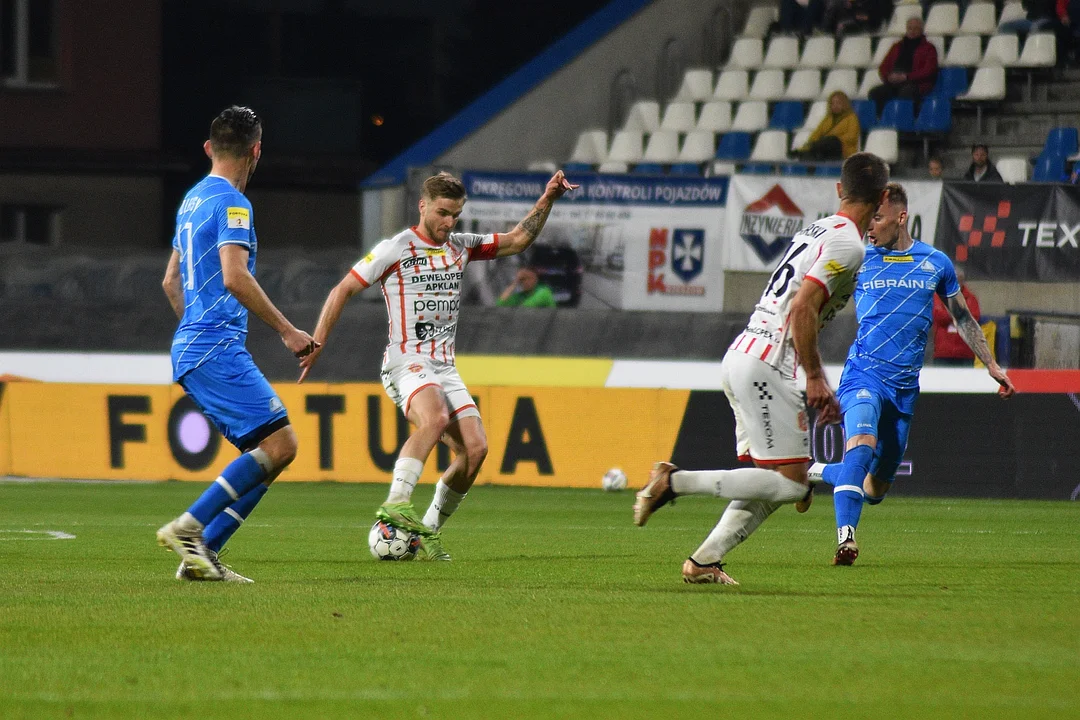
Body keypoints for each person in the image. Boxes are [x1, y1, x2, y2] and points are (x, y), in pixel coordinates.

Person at [633, 153, 891, 585]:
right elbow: (803, 306)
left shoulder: (819, 229)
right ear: (883, 198)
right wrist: (813, 377)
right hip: (769, 362)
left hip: (744, 353)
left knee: (768, 483)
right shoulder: (850, 244)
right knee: (790, 486)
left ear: (838, 190)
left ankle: (702, 563)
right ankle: (673, 482)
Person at [298, 170, 577, 560]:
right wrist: (318, 342)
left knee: (475, 450)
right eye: (443, 213)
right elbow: (343, 288)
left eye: (456, 215)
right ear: (423, 205)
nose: (449, 223)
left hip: (444, 366)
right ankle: (396, 502)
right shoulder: (396, 247)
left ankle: (425, 533)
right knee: (434, 417)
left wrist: (548, 198)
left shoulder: (461, 246)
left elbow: (517, 240)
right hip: (405, 361)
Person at [809, 183, 1015, 566]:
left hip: (904, 390)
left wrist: (991, 364)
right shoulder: (859, 259)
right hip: (863, 375)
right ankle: (846, 539)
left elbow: (962, 318)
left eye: (879, 219)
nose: (870, 227)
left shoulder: (935, 262)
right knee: (862, 444)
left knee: (876, 486)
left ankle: (819, 471)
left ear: (901, 218)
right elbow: (813, 299)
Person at [157, 106, 318, 583]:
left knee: (269, 452)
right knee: (282, 444)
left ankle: (201, 560)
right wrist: (288, 330)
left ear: (209, 148)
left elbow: (170, 281)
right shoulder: (233, 204)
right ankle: (190, 529)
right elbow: (234, 275)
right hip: (213, 347)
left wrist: (195, 330)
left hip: (192, 346)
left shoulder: (190, 200)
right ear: (256, 151)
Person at [869, 17, 939, 115]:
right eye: (910, 28)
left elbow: (929, 70)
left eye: (916, 28)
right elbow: (883, 67)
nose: (912, 31)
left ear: (921, 30)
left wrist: (907, 77)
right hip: (894, 83)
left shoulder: (929, 48)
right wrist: (888, 77)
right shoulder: (896, 46)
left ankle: (903, 121)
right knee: (875, 92)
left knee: (906, 92)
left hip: (916, 84)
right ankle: (882, 119)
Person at [932, 268, 982, 366]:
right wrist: (959, 314)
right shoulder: (938, 296)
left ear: (962, 281)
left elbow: (973, 319)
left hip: (965, 352)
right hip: (943, 351)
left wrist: (951, 314)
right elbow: (938, 316)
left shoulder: (971, 298)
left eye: (958, 280)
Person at [794, 91, 861, 161]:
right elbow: (817, 133)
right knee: (814, 150)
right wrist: (811, 143)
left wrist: (835, 137)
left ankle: (807, 151)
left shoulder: (852, 118)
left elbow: (852, 137)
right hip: (825, 148)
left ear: (844, 104)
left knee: (832, 140)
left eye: (838, 103)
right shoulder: (828, 119)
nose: (835, 106)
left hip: (843, 150)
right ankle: (806, 152)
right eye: (832, 103)